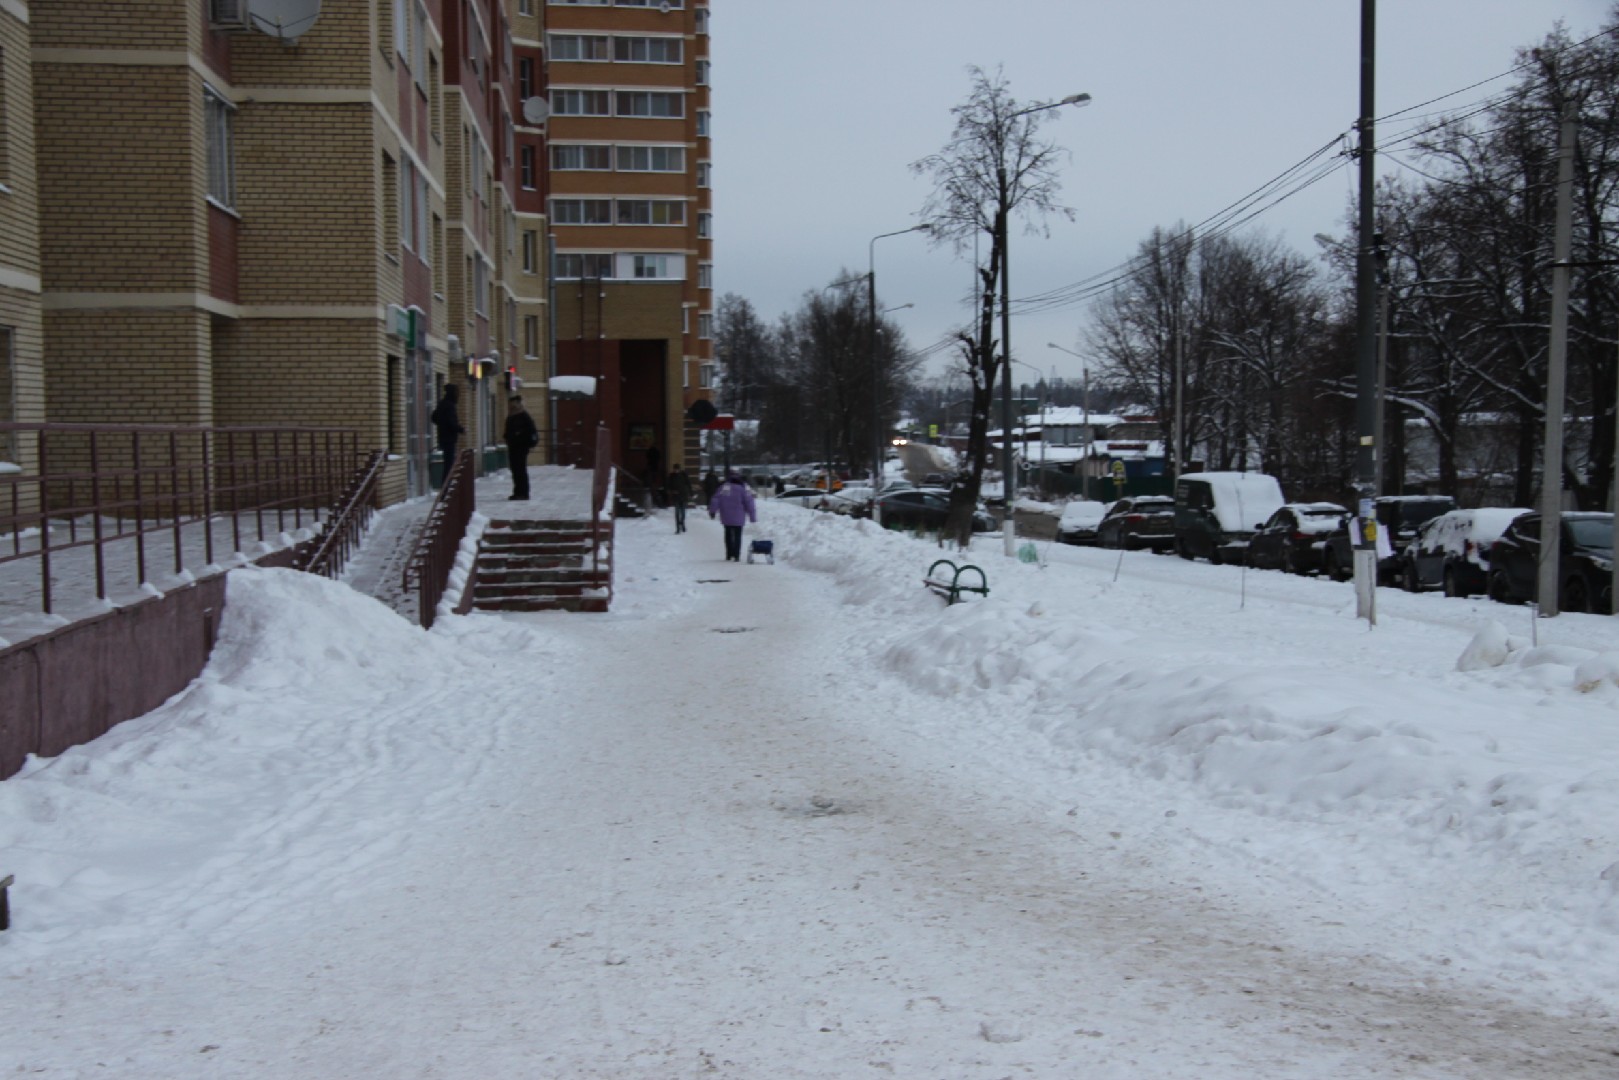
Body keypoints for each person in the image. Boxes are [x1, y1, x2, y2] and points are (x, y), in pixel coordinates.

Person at [708, 469, 757, 562]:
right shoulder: (743, 488)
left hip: (726, 516)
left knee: (728, 535)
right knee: (738, 535)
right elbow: (749, 502)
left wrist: (712, 511)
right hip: (739, 516)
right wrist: (752, 517)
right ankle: (737, 555)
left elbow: (715, 499)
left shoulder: (724, 487)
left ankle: (729, 554)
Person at [502, 394, 538, 501]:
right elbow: (509, 430)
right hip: (513, 446)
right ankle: (517, 491)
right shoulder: (511, 416)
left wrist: (527, 442)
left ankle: (523, 492)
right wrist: (507, 436)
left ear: (518, 403)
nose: (511, 405)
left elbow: (531, 431)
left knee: (520, 470)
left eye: (513, 403)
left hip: (521, 447)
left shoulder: (524, 416)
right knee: (515, 470)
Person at [430, 384, 464, 484]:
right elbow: (451, 422)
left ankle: (446, 485)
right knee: (449, 464)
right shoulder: (450, 405)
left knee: (448, 463)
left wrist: (441, 424)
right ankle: (446, 487)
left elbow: (434, 417)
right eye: (457, 392)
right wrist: (460, 429)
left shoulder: (442, 403)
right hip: (449, 438)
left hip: (443, 437)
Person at [666, 463, 694, 534]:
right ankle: (678, 528)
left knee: (683, 513)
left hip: (684, 496)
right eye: (675, 469)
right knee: (677, 513)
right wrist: (671, 491)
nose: (676, 470)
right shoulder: (671, 476)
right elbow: (668, 486)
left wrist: (691, 493)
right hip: (676, 497)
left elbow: (689, 484)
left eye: (677, 469)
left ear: (679, 469)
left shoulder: (684, 475)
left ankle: (682, 523)